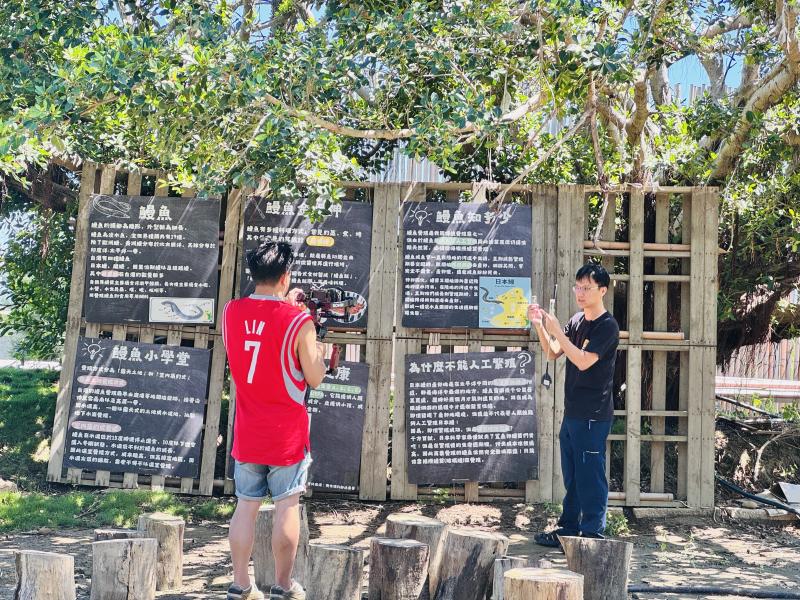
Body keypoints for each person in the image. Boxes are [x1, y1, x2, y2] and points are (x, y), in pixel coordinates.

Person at [222, 241, 327, 600]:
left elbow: (258, 334)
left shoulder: (231, 311)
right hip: (287, 435)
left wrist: (286, 302)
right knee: (287, 506)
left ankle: (240, 586)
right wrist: (321, 350)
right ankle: (283, 586)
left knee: (245, 507)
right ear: (286, 275)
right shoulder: (301, 321)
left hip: (248, 430)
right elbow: (314, 376)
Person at [528, 263, 620, 547]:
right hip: (573, 413)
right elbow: (554, 351)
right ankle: (568, 530)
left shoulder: (607, 326)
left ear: (602, 290)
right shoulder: (577, 320)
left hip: (594, 414)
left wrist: (560, 331)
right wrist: (541, 327)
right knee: (574, 477)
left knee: (590, 475)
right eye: (577, 287)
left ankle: (592, 534)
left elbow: (582, 360)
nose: (580, 293)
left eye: (587, 288)